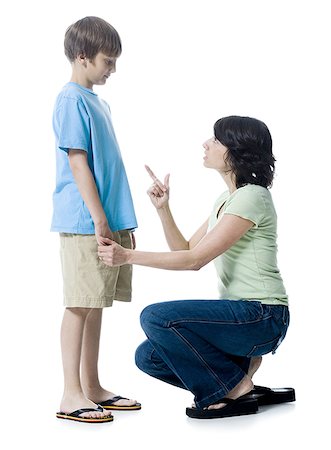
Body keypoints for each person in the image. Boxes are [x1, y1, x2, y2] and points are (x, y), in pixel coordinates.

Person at [97, 115, 295, 419]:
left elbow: (195, 262)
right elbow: (187, 249)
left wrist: (128, 257)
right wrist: (163, 210)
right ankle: (239, 384)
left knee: (156, 318)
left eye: (215, 140)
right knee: (149, 356)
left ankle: (235, 389)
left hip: (262, 315)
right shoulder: (227, 199)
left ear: (236, 151)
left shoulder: (253, 197)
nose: (206, 144)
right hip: (242, 316)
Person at [51, 16, 141, 423]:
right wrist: (100, 219)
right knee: (79, 303)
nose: (113, 68)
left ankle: (91, 386)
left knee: (97, 303)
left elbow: (110, 169)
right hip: (86, 221)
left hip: (107, 220)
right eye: (108, 60)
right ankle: (71, 394)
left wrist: (123, 223)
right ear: (83, 56)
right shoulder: (70, 99)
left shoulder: (97, 102)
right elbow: (78, 162)